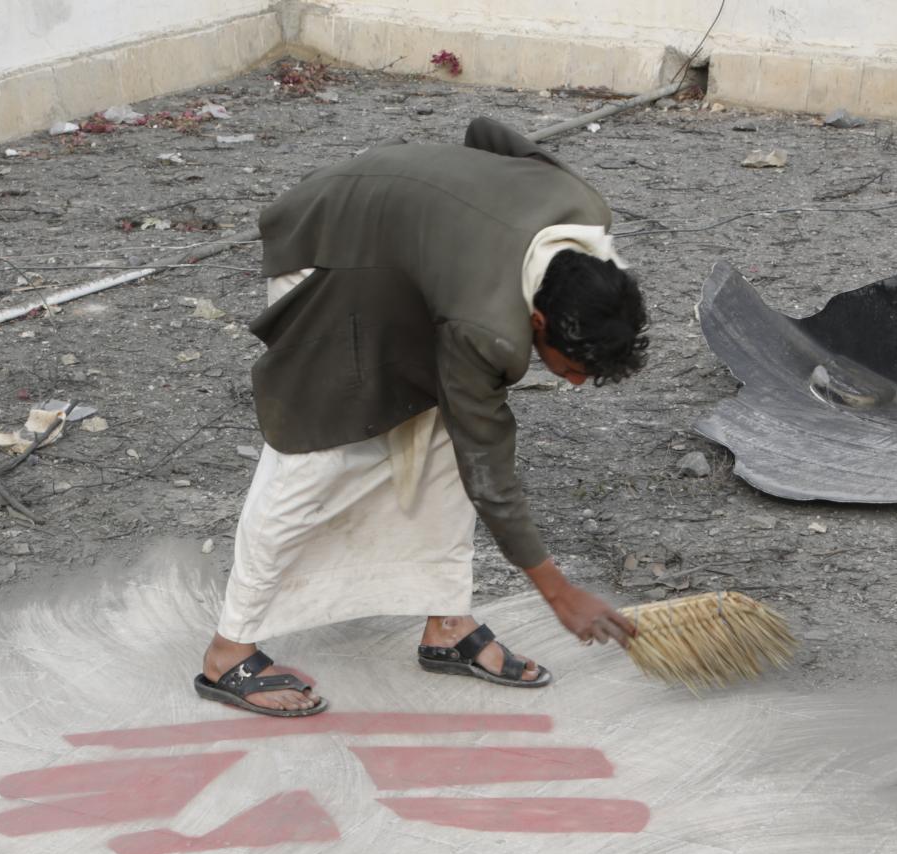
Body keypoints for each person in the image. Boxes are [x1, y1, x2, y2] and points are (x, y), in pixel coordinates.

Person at [194, 116, 649, 717]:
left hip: (411, 250)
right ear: (538, 322)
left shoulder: (585, 215)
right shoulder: (484, 326)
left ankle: (447, 625)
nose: (575, 382)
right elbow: (489, 469)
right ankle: (228, 652)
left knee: (436, 436)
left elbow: (491, 137)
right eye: (570, 368)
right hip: (332, 247)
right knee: (320, 452)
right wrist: (557, 592)